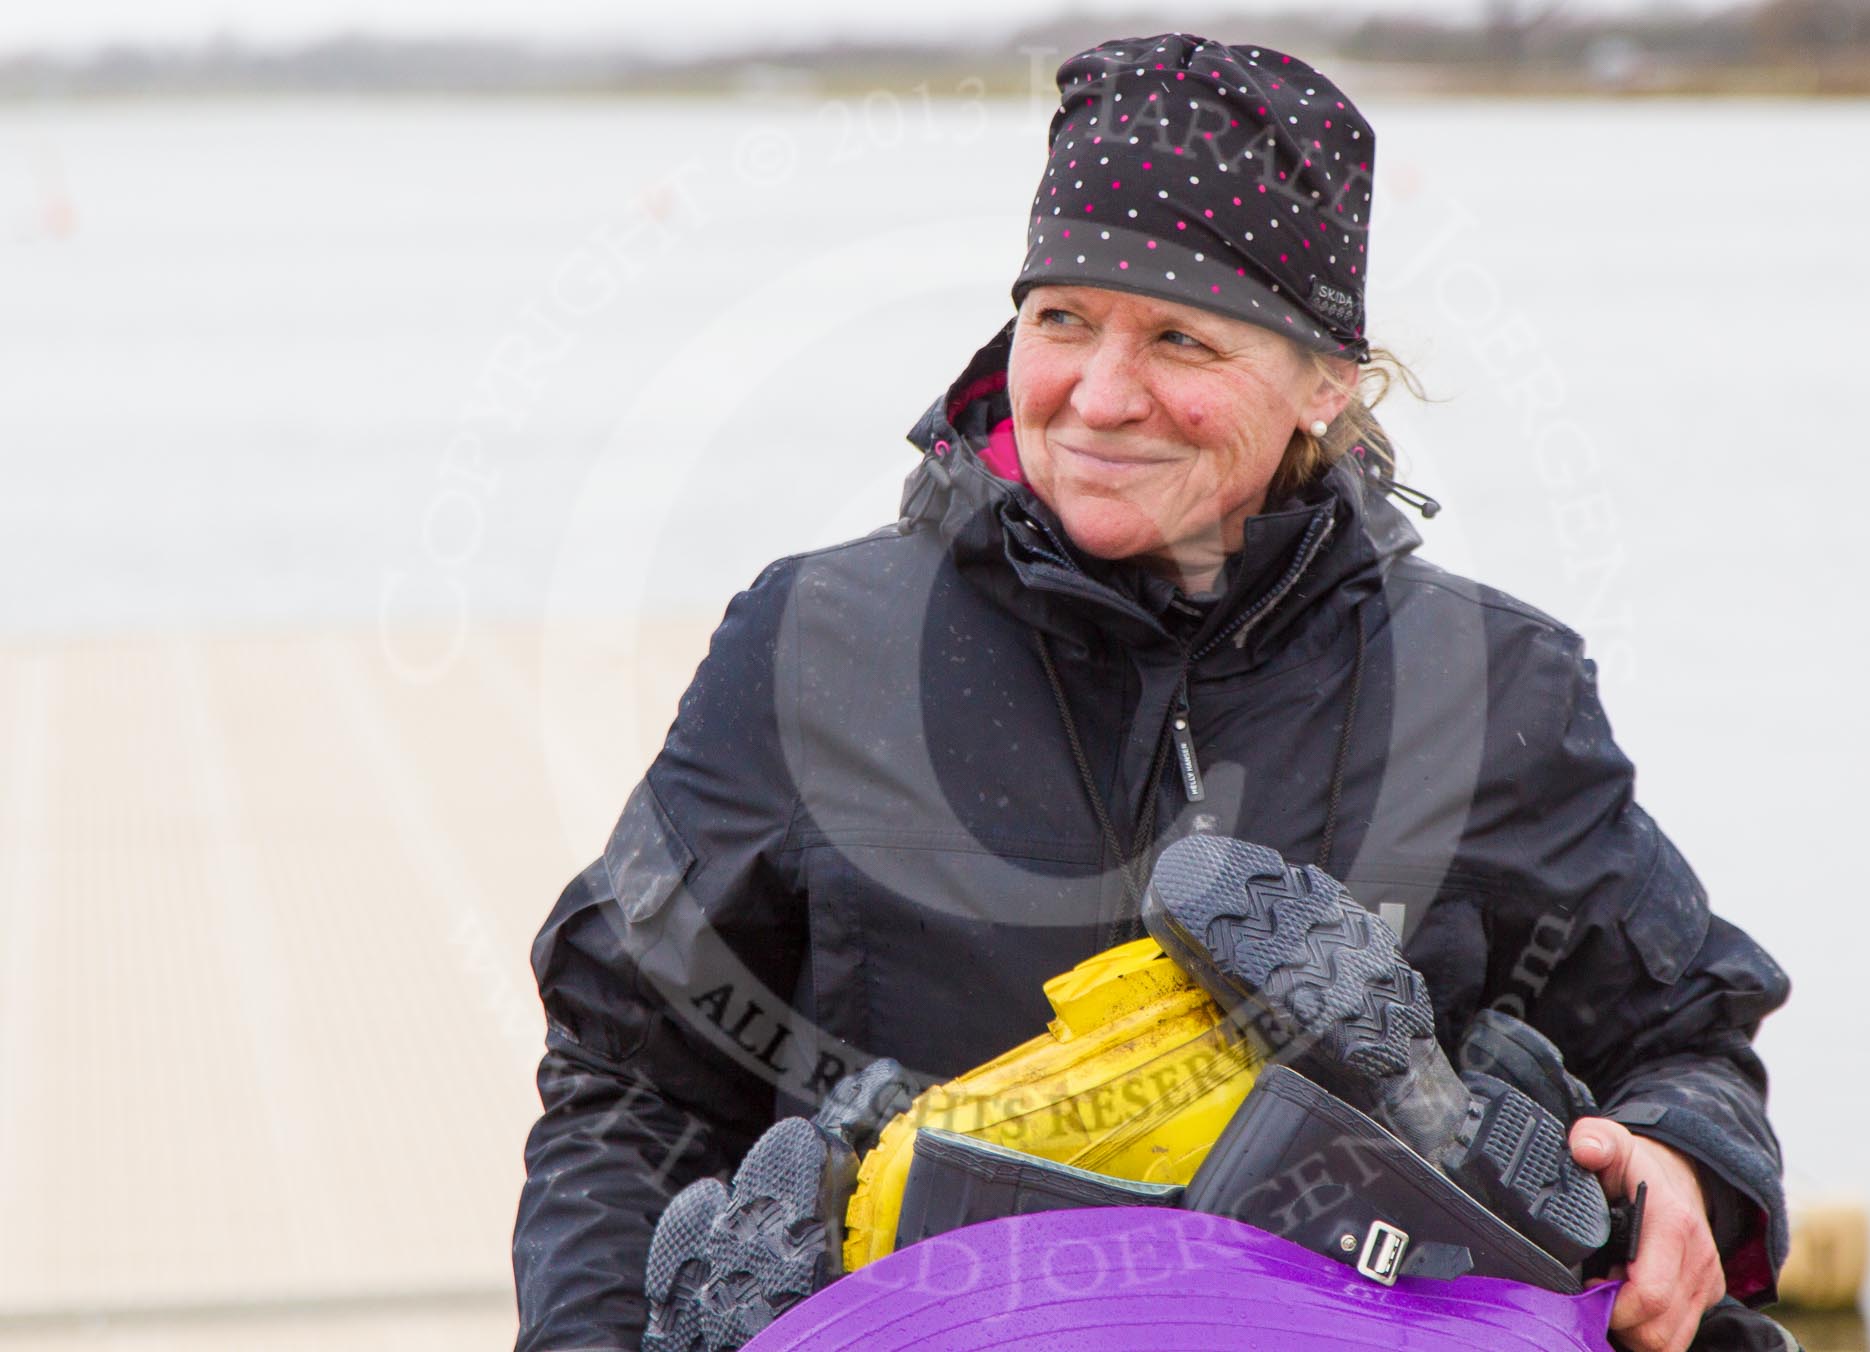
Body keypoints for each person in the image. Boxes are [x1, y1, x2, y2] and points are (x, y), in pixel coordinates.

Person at [513, 33, 1793, 1352]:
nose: (1102, 395)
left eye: (1180, 338)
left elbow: (1684, 1031)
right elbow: (627, 1075)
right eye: (1062, 320)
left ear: (1326, 381)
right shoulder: (814, 648)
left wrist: (1683, 1160)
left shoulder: (1491, 685)